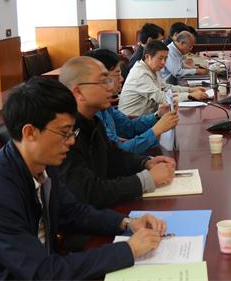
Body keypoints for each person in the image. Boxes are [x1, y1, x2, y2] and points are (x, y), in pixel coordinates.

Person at [0, 78, 167, 280]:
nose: (72, 141)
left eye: (72, 131)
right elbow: (43, 273)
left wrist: (127, 223)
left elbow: (73, 211)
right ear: (30, 133)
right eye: (64, 132)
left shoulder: (42, 161)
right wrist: (127, 250)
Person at [59, 56, 177, 209]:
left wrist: (145, 162)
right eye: (104, 81)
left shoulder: (94, 120)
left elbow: (113, 156)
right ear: (78, 92)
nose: (110, 87)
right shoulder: (65, 134)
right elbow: (90, 192)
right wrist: (147, 180)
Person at [85, 49, 178, 154]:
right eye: (117, 74)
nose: (121, 79)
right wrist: (156, 130)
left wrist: (157, 115)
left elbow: (129, 127)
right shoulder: (91, 115)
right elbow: (117, 152)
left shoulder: (105, 107)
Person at [120, 40, 208, 116]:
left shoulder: (153, 68)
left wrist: (190, 90)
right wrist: (190, 95)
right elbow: (161, 97)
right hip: (133, 120)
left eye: (166, 58)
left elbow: (166, 87)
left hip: (148, 116)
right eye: (160, 58)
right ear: (147, 57)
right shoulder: (140, 74)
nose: (163, 62)